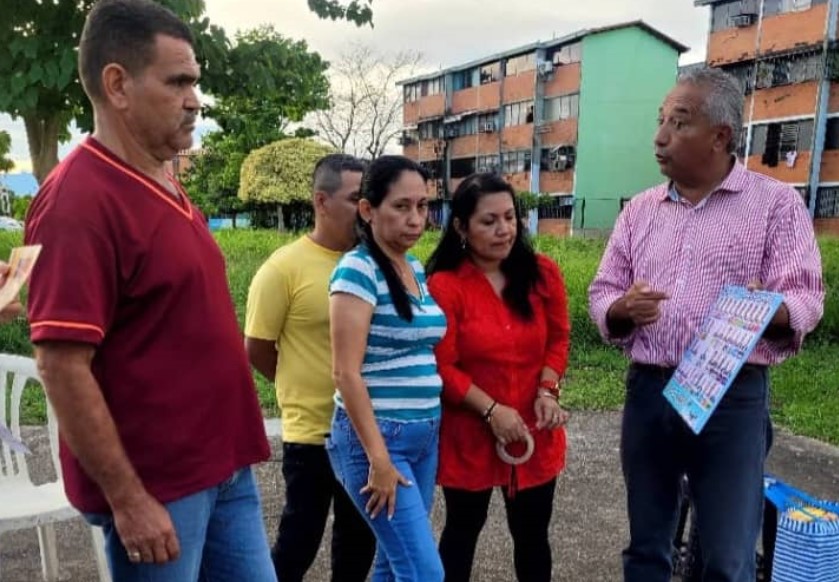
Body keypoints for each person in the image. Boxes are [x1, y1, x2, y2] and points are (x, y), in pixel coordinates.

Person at [23, 1, 275, 580]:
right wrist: (129, 500)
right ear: (118, 85)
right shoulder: (79, 202)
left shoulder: (164, 179)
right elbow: (61, 365)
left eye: (195, 82)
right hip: (159, 491)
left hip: (223, 470)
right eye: (178, 81)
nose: (195, 99)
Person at [588, 67, 824, 582]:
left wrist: (774, 308)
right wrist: (623, 307)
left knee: (726, 554)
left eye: (679, 122)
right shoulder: (640, 211)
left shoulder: (775, 205)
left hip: (731, 395)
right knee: (647, 546)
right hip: (651, 390)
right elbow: (602, 292)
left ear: (720, 135)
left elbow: (807, 294)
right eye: (660, 121)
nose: (660, 137)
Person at [426, 173, 571, 582]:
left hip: (533, 430)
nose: (503, 229)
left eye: (510, 217)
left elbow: (558, 339)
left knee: (532, 537)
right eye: (488, 221)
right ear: (460, 227)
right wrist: (491, 410)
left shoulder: (542, 273)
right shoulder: (444, 285)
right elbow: (443, 365)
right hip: (469, 432)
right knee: (461, 532)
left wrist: (548, 390)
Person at [245, 153, 376, 581]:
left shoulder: (374, 262)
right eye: (355, 197)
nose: (364, 208)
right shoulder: (283, 269)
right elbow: (258, 347)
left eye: (368, 198)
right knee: (298, 540)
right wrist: (297, 384)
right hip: (312, 432)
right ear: (322, 201)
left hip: (365, 431)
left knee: (357, 545)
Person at [327, 155, 446, 582]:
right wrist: (378, 457)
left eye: (422, 206)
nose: (416, 219)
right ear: (367, 210)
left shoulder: (411, 267)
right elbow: (345, 372)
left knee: (394, 564)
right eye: (401, 206)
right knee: (424, 572)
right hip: (378, 440)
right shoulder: (357, 269)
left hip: (422, 436)